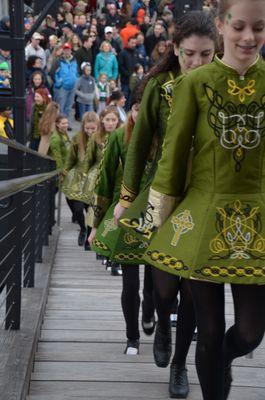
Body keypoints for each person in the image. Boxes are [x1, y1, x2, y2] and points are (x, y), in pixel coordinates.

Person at [143, 1, 265, 399]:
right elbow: (173, 159)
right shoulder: (194, 85)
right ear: (221, 26)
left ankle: (224, 361)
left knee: (249, 332)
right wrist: (158, 224)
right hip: (203, 215)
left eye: (259, 28)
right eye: (240, 26)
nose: (249, 37)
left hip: (257, 220)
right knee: (208, 330)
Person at [113, 11, 216, 399]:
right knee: (162, 287)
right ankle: (160, 319)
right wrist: (125, 198)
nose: (197, 63)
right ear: (176, 49)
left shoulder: (221, 84)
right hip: (162, 195)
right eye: (190, 54)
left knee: (192, 289)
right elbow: (139, 145)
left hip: (203, 195)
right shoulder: (158, 85)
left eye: (206, 55)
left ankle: (179, 365)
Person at [87, 101, 155, 354]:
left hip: (155, 214)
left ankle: (149, 310)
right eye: (136, 110)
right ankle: (132, 336)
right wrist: (95, 225)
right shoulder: (118, 136)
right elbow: (104, 178)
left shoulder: (163, 135)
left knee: (154, 282)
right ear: (132, 112)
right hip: (125, 214)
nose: (140, 114)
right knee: (129, 282)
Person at [62, 111, 100, 246]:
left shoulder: (101, 140)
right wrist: (64, 171)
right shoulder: (77, 139)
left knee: (90, 209)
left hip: (95, 178)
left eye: (93, 128)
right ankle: (83, 229)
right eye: (87, 128)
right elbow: (71, 158)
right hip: (78, 177)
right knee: (77, 208)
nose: (90, 131)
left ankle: (90, 235)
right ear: (83, 126)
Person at [53, 42, 79, 119]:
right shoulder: (58, 61)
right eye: (65, 50)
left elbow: (77, 72)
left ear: (71, 50)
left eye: (68, 50)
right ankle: (59, 123)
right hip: (62, 87)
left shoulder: (74, 60)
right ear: (63, 51)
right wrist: (59, 82)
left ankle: (66, 123)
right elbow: (53, 73)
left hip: (72, 87)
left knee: (69, 106)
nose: (67, 51)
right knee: (61, 106)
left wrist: (76, 81)